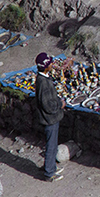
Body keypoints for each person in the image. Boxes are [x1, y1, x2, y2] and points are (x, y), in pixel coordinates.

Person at [34, 52, 66, 182]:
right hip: (50, 119)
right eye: (50, 63)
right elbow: (48, 105)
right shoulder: (43, 83)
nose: (52, 65)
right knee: (51, 145)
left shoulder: (43, 78)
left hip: (49, 119)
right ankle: (49, 173)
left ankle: (50, 165)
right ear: (45, 67)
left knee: (51, 143)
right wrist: (60, 104)